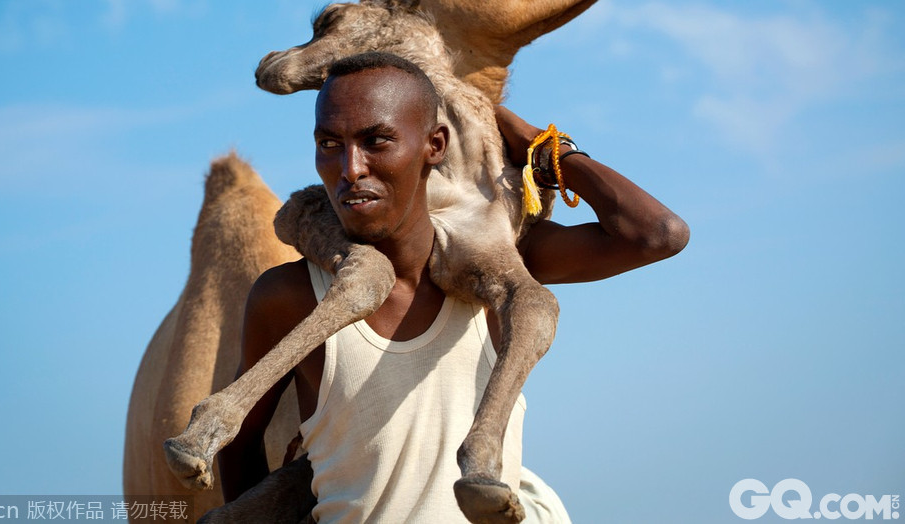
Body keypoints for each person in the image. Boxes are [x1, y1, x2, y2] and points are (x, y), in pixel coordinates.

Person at [218, 52, 689, 523]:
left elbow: (657, 234)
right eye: (329, 143)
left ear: (435, 145)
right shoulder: (289, 296)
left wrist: (545, 149)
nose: (350, 168)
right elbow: (237, 444)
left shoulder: (502, 267)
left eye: (376, 141)